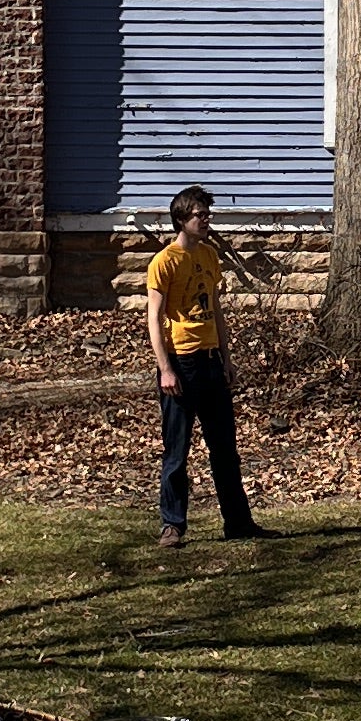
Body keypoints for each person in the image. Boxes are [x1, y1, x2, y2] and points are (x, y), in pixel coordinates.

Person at [144, 185, 262, 548]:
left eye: (208, 213)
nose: (206, 219)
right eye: (200, 214)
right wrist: (165, 369)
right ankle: (172, 525)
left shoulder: (210, 256)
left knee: (224, 448)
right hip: (182, 364)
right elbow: (154, 318)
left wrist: (227, 357)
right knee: (177, 451)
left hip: (211, 361)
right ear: (182, 219)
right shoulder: (164, 261)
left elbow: (216, 309)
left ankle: (238, 523)